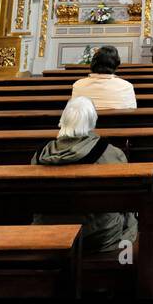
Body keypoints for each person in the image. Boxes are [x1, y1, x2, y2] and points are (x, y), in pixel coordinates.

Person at [31, 96, 138, 252]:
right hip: (97, 235)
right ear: (92, 121)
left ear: (63, 121)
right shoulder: (111, 153)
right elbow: (127, 196)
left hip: (47, 232)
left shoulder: (40, 156)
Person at [71, 45, 137, 110]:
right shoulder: (127, 86)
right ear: (116, 65)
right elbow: (132, 110)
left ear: (93, 63)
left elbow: (72, 113)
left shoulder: (78, 85)